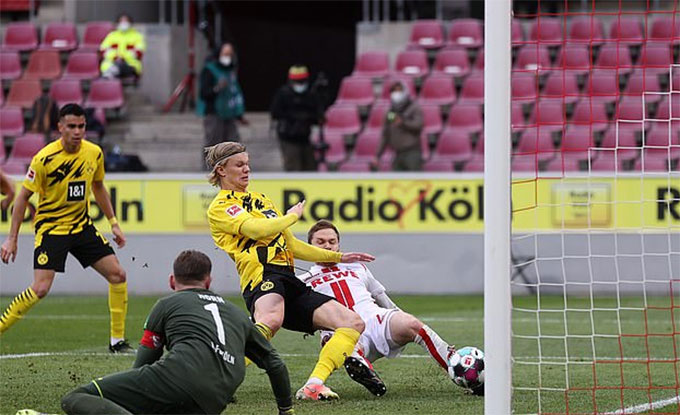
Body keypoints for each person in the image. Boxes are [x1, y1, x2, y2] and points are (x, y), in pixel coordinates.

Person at [205, 141, 375, 401]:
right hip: (261, 275)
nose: (247, 169)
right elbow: (256, 230)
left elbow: (291, 244)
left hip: (288, 278)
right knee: (270, 321)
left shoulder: (261, 199)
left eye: (248, 163)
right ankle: (218, 380)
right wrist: (292, 216)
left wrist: (339, 256)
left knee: (352, 322)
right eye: (239, 165)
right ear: (221, 170)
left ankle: (314, 385)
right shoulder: (220, 207)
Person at [0, 104, 133, 354]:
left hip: (81, 227)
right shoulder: (44, 159)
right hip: (52, 229)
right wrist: (12, 239)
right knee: (40, 288)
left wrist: (114, 223)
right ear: (60, 127)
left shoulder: (94, 153)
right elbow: (21, 198)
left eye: (81, 126)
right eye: (71, 126)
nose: (77, 131)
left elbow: (99, 187)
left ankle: (117, 342)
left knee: (118, 275)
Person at [300, 220, 457, 395]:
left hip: (376, 320)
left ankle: (456, 365)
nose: (327, 246)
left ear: (338, 244)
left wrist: (400, 317)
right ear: (309, 246)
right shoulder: (303, 280)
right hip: (344, 332)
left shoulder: (357, 266)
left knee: (413, 324)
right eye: (320, 242)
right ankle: (361, 365)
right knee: (344, 348)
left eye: (332, 241)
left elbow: (380, 296)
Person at [197, 42, 247, 157]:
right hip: (214, 112)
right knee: (213, 143)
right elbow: (203, 93)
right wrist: (217, 88)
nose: (228, 57)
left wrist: (239, 114)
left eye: (230, 54)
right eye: (225, 54)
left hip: (229, 113)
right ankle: (208, 169)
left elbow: (235, 93)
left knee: (232, 144)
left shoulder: (230, 72)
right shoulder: (210, 70)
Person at [270, 65, 322, 171]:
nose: (300, 85)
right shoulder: (283, 94)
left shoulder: (311, 95)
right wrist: (294, 116)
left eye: (302, 81)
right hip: (289, 137)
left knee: (310, 168)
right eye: (297, 82)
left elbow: (318, 115)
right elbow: (275, 113)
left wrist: (308, 117)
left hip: (306, 138)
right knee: (293, 167)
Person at [372, 81, 424, 171]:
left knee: (415, 182)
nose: (396, 94)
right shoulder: (390, 113)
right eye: (394, 91)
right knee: (397, 182)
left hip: (412, 153)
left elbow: (418, 125)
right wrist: (377, 155)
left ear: (405, 92)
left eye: (399, 91)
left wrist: (403, 123)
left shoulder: (413, 108)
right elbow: (385, 135)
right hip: (397, 154)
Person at [100, 13, 146, 80]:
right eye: (121, 21)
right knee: (113, 66)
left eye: (126, 21)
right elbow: (103, 50)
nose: (123, 23)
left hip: (130, 65)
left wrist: (122, 56)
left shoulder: (137, 36)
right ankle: (112, 72)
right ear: (118, 23)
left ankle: (110, 74)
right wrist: (116, 57)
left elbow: (139, 52)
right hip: (112, 63)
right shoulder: (111, 36)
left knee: (120, 67)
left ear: (130, 23)